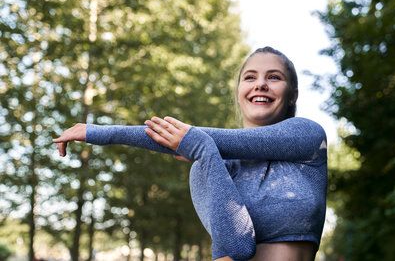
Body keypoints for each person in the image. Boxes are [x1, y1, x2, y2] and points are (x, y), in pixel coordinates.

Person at [53, 46, 327, 261]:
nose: (260, 84)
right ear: (239, 91)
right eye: (250, 77)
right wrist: (205, 153)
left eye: (274, 77)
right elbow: (239, 248)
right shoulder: (206, 165)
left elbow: (207, 139)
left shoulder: (308, 139)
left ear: (293, 95)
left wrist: (103, 132)